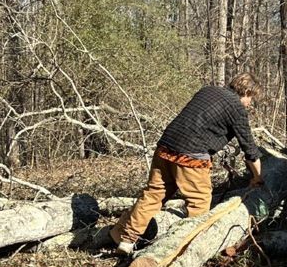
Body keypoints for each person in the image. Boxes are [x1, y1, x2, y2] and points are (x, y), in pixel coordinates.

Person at [110, 73, 263, 255]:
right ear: (246, 91)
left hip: (166, 146)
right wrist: (258, 178)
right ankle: (188, 250)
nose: (249, 104)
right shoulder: (236, 107)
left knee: (153, 195)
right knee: (199, 203)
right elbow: (250, 150)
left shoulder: (208, 90)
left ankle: (125, 239)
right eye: (250, 99)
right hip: (192, 157)